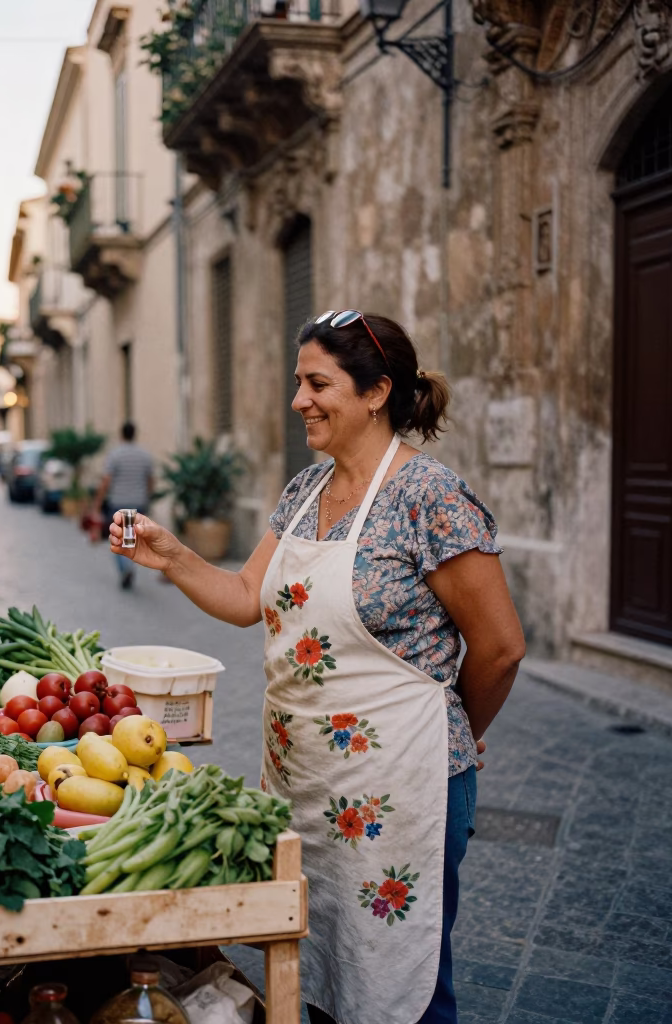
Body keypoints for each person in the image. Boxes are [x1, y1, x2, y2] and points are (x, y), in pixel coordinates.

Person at [110, 310, 526, 1024]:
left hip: (399, 790)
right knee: (321, 969)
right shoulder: (303, 492)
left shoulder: (430, 497)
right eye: (298, 382)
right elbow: (247, 597)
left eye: (316, 382)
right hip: (301, 785)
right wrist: (173, 556)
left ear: (376, 392)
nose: (298, 399)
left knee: (405, 983)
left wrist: (450, 727)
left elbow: (500, 647)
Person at [95, 422, 155, 589]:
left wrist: (98, 502)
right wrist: (147, 497)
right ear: (134, 434)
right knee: (129, 539)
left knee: (118, 540)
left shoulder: (115, 455)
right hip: (138, 503)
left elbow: (106, 480)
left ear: (121, 434)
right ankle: (127, 566)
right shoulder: (144, 455)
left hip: (119, 504)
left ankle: (126, 567)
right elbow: (150, 480)